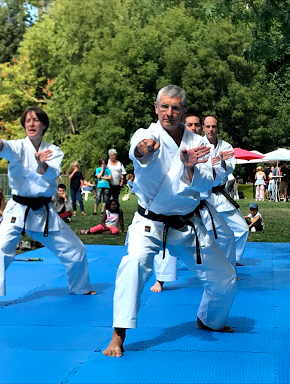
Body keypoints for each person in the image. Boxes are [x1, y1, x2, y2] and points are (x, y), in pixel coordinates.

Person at [102, 85, 236, 357]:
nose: (169, 112)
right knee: (133, 265)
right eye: (164, 106)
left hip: (188, 225)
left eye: (176, 107)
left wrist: (188, 168)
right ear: (156, 108)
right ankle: (118, 334)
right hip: (150, 224)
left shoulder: (197, 144)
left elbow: (208, 181)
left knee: (225, 277)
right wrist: (144, 149)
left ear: (184, 111)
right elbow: (139, 151)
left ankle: (209, 319)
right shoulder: (147, 135)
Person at [0, 106, 96, 311]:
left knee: (75, 249)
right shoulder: (17, 146)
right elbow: (5, 148)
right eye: (27, 120)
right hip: (17, 209)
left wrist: (41, 163)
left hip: (42, 211)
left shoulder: (53, 150)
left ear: (44, 125)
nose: (31, 123)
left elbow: (50, 174)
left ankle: (80, 287)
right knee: (0, 249)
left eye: (35, 120)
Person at [150, 112, 238, 293]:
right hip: (175, 208)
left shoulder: (204, 146)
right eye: (190, 124)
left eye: (197, 125)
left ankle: (229, 270)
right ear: (184, 124)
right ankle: (161, 280)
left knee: (227, 236)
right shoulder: (172, 145)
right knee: (166, 243)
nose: (194, 128)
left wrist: (219, 164)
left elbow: (217, 177)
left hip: (201, 204)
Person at [203, 114, 249, 266]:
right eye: (208, 126)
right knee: (202, 233)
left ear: (218, 128)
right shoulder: (198, 145)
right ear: (203, 128)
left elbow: (229, 168)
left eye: (214, 126)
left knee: (242, 228)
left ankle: (232, 259)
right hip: (204, 196)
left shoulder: (226, 146)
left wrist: (222, 162)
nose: (211, 129)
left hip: (221, 194)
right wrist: (210, 163)